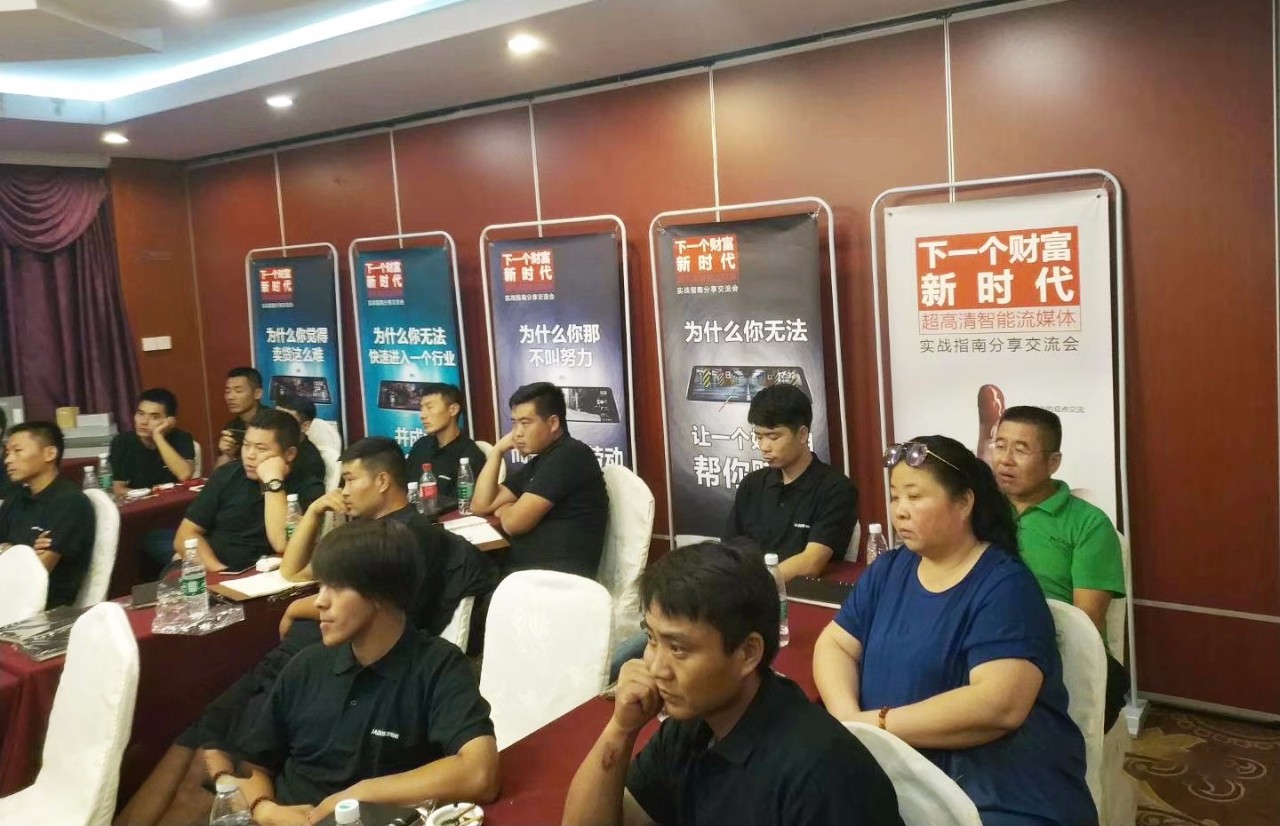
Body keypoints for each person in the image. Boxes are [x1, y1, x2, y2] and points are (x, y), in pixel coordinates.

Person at [124, 521, 500, 826]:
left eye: (336, 587)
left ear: (381, 593)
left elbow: (480, 774)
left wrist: (358, 795)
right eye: (321, 586)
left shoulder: (437, 666)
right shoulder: (307, 665)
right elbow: (254, 765)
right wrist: (264, 809)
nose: (319, 601)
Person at [813, 436, 1097, 826]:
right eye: (895, 497)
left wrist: (875, 725)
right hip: (896, 770)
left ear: (964, 503)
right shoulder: (889, 570)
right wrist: (848, 718)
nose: (900, 511)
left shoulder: (1005, 587)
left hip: (995, 787)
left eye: (915, 497)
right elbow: (835, 644)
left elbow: (998, 705)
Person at [563, 541, 903, 826]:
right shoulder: (691, 728)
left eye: (678, 648)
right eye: (652, 639)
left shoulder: (823, 775)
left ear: (748, 653)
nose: (656, 667)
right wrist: (621, 729)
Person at [992, 405, 1128, 728]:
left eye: (1020, 449)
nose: (1005, 460)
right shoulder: (981, 511)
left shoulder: (1089, 524)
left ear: (1053, 462)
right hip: (988, 645)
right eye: (1000, 445)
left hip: (1060, 654)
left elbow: (1084, 624)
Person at [279, 436, 495, 638]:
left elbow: (359, 606)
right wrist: (313, 511)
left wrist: (294, 608)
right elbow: (292, 572)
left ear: (382, 481)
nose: (344, 492)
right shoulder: (375, 529)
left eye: (350, 480)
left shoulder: (397, 539)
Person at [472, 382, 609, 578]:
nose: (517, 432)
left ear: (553, 423)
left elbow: (514, 524)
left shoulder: (569, 456)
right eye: (514, 423)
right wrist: (498, 451)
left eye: (525, 423)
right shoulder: (542, 459)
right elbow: (480, 505)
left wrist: (506, 509)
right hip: (527, 574)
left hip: (554, 581)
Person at [725, 383, 858, 581]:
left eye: (773, 437)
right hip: (746, 591)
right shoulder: (752, 485)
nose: (764, 447)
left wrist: (757, 585)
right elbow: (729, 552)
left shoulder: (836, 489)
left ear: (802, 434)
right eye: (759, 437)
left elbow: (811, 563)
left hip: (801, 593)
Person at [175, 409, 324, 572]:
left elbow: (282, 544)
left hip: (267, 575)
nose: (250, 455)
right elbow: (185, 534)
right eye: (246, 445)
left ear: (289, 454)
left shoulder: (309, 488)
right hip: (214, 569)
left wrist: (273, 481)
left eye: (261, 449)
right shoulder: (226, 475)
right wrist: (222, 573)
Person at [0, 422, 96, 608]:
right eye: (7, 452)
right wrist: (24, 553)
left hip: (43, 608)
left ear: (49, 453)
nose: (8, 460)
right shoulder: (16, 498)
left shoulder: (69, 502)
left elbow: (35, 575)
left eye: (17, 451)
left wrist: (11, 553)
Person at [108, 387, 196, 494]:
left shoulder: (182, 438)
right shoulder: (122, 442)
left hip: (174, 500)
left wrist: (158, 436)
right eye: (140, 414)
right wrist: (152, 496)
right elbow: (118, 489)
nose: (143, 422)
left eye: (154, 417)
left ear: (169, 421)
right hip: (139, 501)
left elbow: (184, 475)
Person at [405, 383, 486, 500]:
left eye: (430, 407)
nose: (422, 415)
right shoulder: (421, 446)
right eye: (421, 408)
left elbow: (463, 502)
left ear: (453, 409)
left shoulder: (470, 456)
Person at [275, 394, 333, 488]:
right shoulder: (270, 444)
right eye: (275, 418)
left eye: (285, 421)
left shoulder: (309, 463)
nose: (276, 425)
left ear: (305, 426)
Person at [215, 367, 267, 469]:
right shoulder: (232, 426)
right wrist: (226, 454)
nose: (230, 397)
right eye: (228, 391)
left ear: (257, 394)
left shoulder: (274, 423)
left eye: (238, 391)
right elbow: (218, 475)